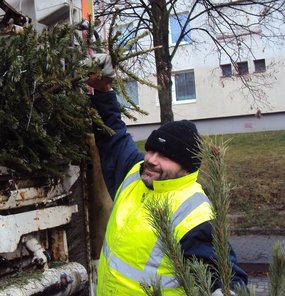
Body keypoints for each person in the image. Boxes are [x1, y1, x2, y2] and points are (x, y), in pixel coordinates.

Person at [87, 54, 248, 295]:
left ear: (186, 165)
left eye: (163, 155)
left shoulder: (194, 214)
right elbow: (114, 135)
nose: (151, 159)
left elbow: (227, 276)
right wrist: (103, 89)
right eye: (150, 150)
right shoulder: (136, 173)